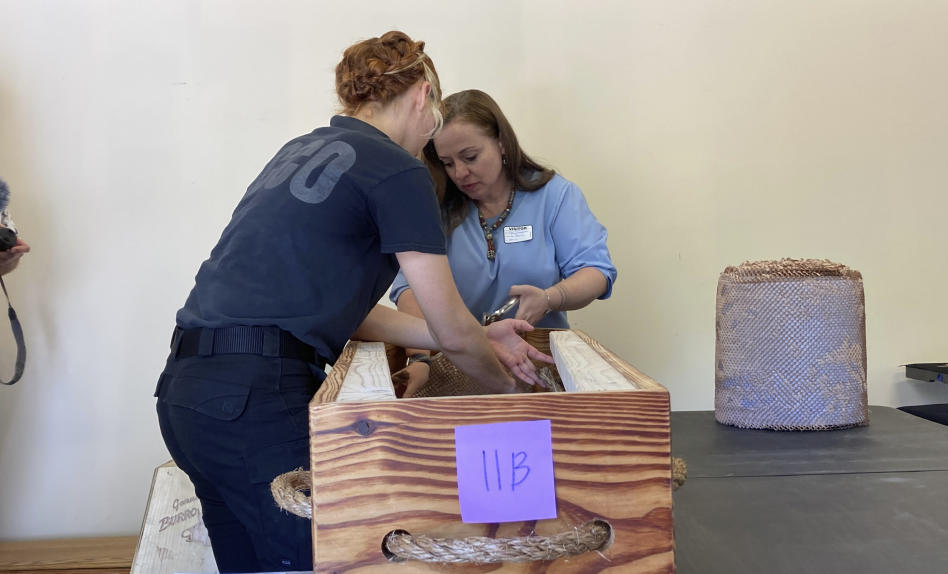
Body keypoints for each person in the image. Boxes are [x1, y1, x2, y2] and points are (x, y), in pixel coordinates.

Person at [154, 33, 550, 573]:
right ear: (424, 95)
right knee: (323, 560)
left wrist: (476, 336)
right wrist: (510, 397)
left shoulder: (297, 150)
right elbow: (453, 327)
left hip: (187, 397)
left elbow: (350, 314)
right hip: (256, 398)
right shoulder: (397, 168)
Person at [389, 90, 616, 395]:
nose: (460, 173)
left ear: (501, 142)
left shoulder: (555, 196)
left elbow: (596, 272)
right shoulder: (435, 207)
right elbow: (407, 290)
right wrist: (420, 356)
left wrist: (551, 297)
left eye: (470, 157)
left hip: (536, 369)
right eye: (447, 163)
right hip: (458, 371)